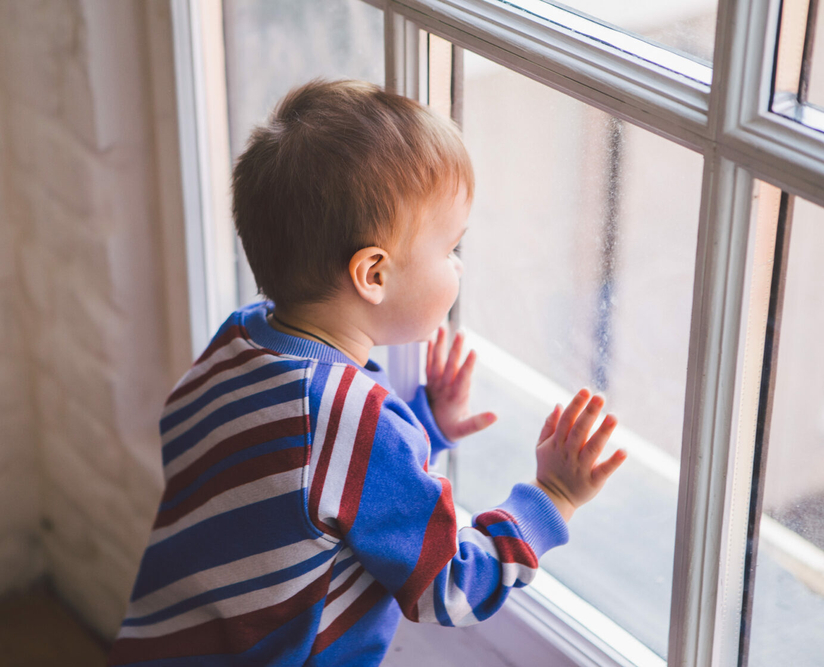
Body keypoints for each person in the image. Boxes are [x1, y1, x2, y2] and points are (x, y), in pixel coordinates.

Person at [107, 78, 627, 667]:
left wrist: (422, 423)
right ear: (373, 275)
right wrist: (552, 497)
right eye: (452, 248)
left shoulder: (241, 338)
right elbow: (450, 589)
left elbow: (302, 479)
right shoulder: (352, 417)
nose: (459, 266)